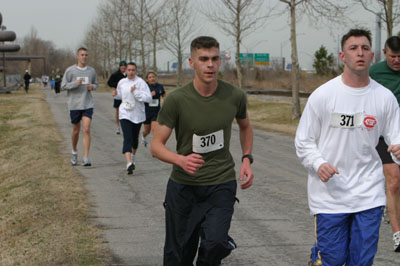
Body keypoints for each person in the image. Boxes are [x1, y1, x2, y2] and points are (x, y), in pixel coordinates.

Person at [295, 28, 400, 266]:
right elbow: (304, 140)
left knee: (361, 261)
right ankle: (320, 257)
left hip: (368, 194)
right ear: (343, 56)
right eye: (353, 49)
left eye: (364, 48)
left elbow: (396, 137)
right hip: (330, 194)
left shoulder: (384, 98)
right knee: (333, 260)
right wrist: (318, 163)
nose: (359, 53)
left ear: (372, 55)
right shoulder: (323, 95)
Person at [150, 36, 254, 266]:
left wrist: (247, 158)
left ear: (220, 61)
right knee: (178, 257)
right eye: (204, 59)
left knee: (214, 245)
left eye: (215, 59)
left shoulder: (234, 96)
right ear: (192, 62)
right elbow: (155, 146)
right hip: (184, 187)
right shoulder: (177, 100)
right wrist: (180, 160)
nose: (210, 64)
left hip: (221, 183)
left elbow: (245, 126)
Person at [370, 35, 400, 252]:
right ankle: (398, 235)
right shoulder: (374, 73)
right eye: (393, 56)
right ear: (384, 53)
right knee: (394, 181)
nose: (397, 60)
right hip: (382, 137)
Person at [112, 62, 152, 174]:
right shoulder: (122, 82)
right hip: (125, 113)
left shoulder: (141, 83)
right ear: (126, 71)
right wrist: (115, 94)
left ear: (136, 71)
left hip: (137, 114)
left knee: (134, 140)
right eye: (129, 70)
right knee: (127, 137)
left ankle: (133, 158)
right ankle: (128, 163)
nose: (131, 72)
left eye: (133, 70)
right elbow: (120, 95)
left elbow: (148, 98)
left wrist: (136, 92)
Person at [61, 47, 98, 167]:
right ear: (77, 56)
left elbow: (96, 84)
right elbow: (63, 86)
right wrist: (75, 84)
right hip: (74, 104)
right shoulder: (70, 71)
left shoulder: (91, 71)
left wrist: (93, 87)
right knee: (76, 130)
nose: (84, 57)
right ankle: (74, 152)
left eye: (86, 55)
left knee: (86, 129)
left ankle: (86, 157)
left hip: (87, 103)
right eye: (82, 55)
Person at [141, 72, 166, 147]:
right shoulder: (144, 87)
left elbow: (164, 95)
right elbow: (141, 98)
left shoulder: (160, 86)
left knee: (155, 130)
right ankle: (143, 136)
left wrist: (165, 100)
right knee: (147, 131)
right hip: (147, 112)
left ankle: (155, 147)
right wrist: (149, 95)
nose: (152, 78)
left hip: (156, 112)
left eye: (153, 77)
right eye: (150, 77)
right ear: (147, 79)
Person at [107, 60, 127, 134]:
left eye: (124, 67)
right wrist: (116, 85)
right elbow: (109, 83)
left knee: (126, 110)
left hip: (127, 95)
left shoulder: (128, 75)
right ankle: (118, 126)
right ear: (120, 67)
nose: (123, 68)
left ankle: (125, 127)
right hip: (118, 94)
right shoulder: (115, 74)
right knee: (118, 111)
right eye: (122, 67)